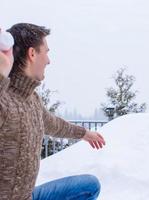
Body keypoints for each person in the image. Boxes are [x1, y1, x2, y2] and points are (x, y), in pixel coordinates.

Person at [0, 23, 106, 200]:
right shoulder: (4, 100)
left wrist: (85, 134)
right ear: (32, 54)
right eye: (46, 52)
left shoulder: (31, 99)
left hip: (28, 196)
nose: (49, 60)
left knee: (89, 186)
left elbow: (53, 124)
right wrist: (2, 71)